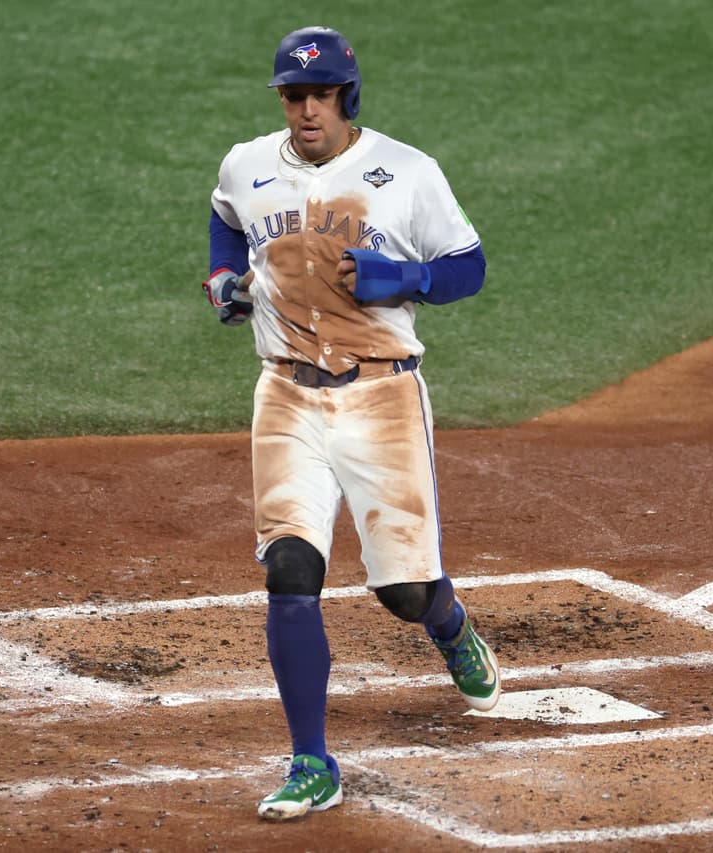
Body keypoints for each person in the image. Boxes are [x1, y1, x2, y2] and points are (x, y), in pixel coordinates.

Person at [201, 25, 500, 821]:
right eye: (293, 95)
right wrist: (225, 278)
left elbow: (468, 265)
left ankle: (448, 622)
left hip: (381, 395)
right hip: (286, 395)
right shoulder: (247, 162)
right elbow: (226, 217)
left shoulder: (406, 172)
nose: (305, 110)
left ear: (346, 96)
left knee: (402, 590)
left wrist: (402, 277)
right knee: (289, 571)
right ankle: (311, 760)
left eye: (320, 95)